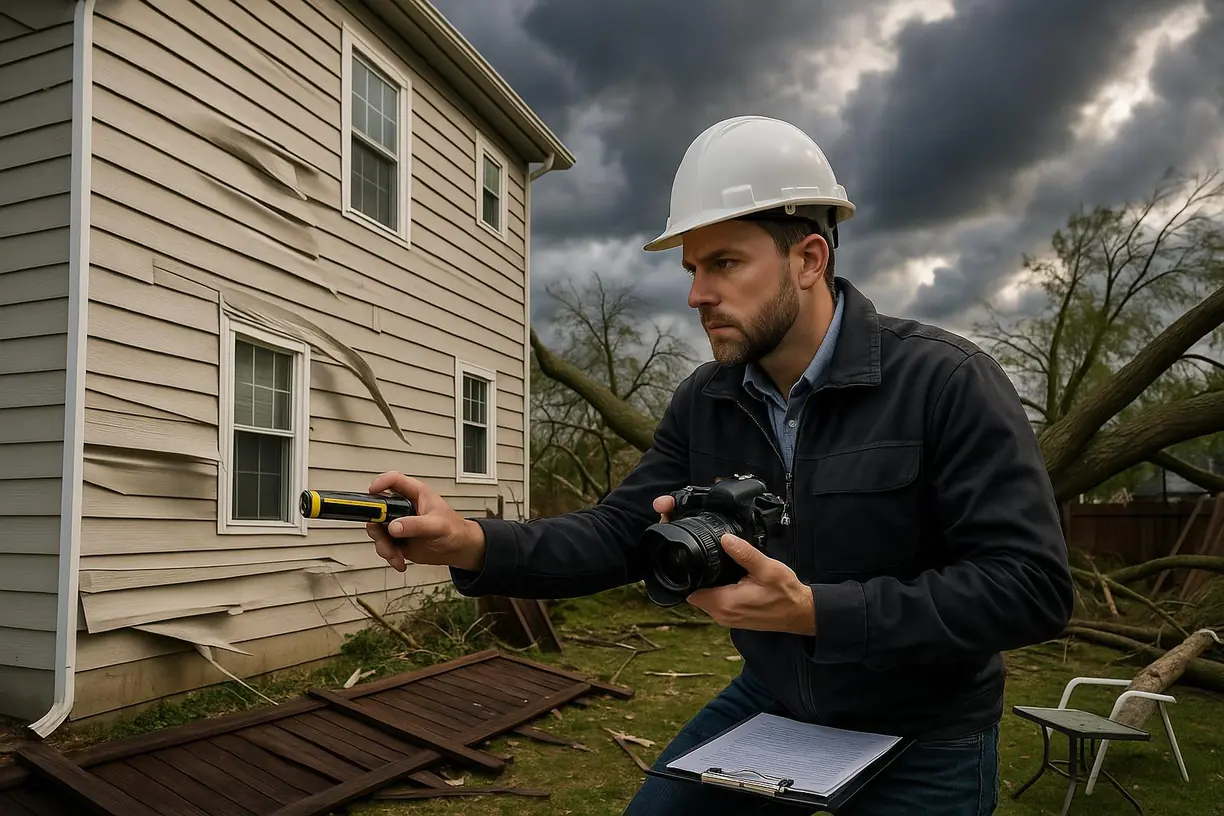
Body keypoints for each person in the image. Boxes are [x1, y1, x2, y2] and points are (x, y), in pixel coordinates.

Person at [366, 115, 1075, 815]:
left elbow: (1030, 587)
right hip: (776, 700)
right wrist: (474, 541)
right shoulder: (707, 400)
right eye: (692, 269)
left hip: (926, 728)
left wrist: (815, 614)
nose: (697, 294)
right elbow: (620, 533)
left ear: (808, 260)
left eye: (724, 263)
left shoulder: (945, 382)